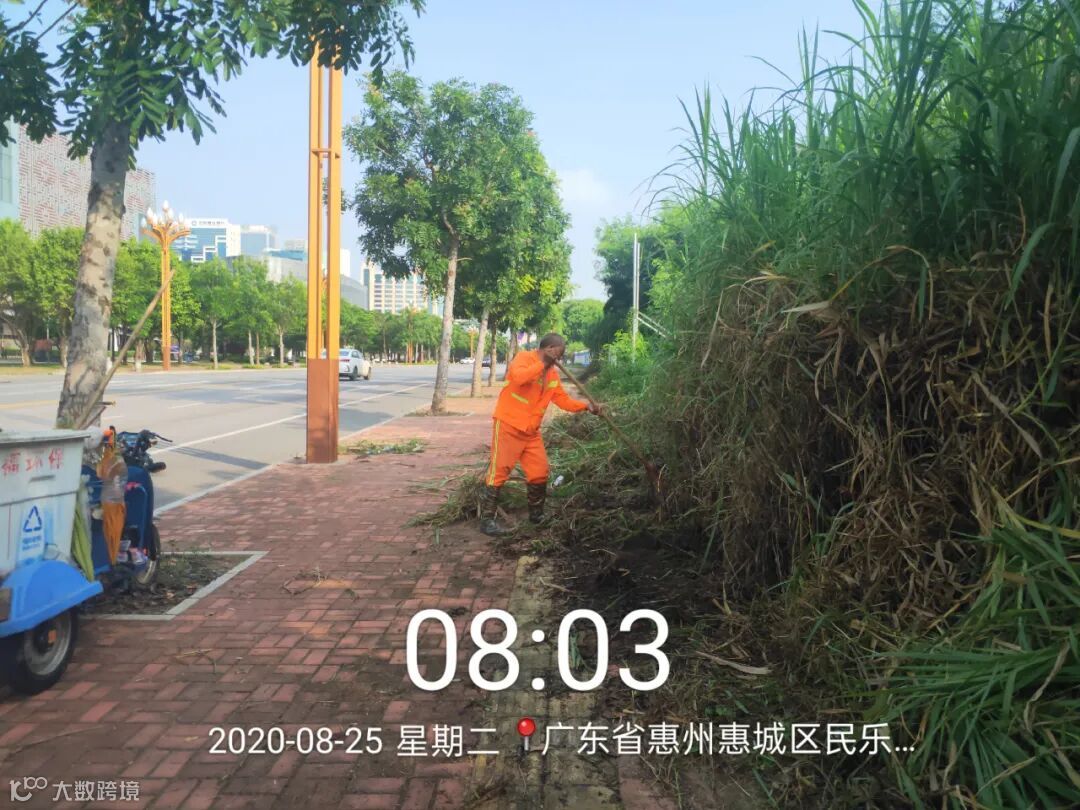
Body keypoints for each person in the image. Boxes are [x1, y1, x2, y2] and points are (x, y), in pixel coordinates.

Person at [480, 332, 602, 536]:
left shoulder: (552, 374)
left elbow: (563, 400)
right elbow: (520, 378)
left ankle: (536, 516)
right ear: (549, 349)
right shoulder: (524, 358)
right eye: (558, 355)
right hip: (509, 426)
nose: (559, 360)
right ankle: (486, 521)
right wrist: (542, 363)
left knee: (539, 472)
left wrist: (586, 406)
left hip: (531, 432)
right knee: (499, 472)